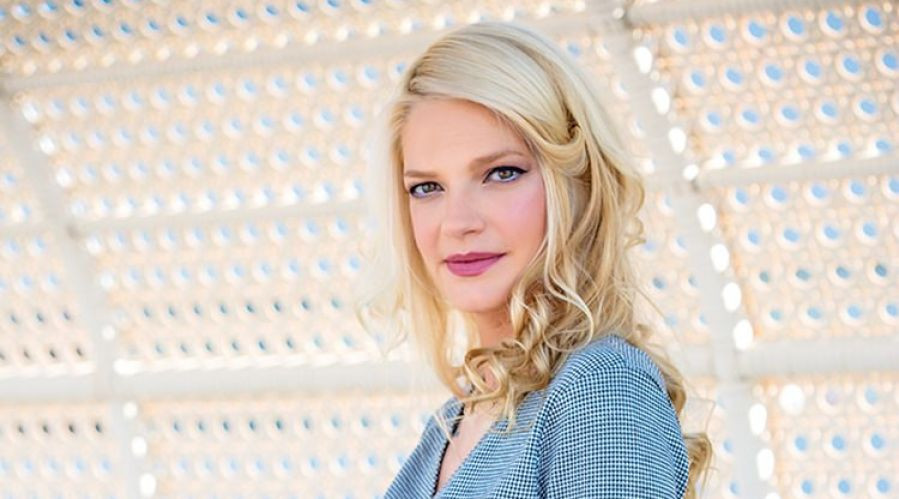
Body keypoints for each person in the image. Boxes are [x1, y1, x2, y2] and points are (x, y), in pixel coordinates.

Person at [354, 21, 712, 498]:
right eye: (427, 187)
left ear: (575, 186)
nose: (457, 222)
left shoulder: (601, 387)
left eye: (501, 173)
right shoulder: (452, 421)